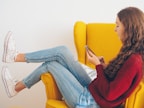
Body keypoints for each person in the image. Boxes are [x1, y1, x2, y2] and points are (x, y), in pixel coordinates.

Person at [1, 6, 144, 108]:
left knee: (51, 64)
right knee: (62, 51)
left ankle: (16, 84)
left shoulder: (134, 61)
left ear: (128, 28)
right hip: (95, 91)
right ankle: (15, 59)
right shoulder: (131, 52)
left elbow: (111, 93)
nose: (115, 29)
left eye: (117, 25)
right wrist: (104, 66)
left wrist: (98, 66)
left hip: (90, 102)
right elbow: (118, 82)